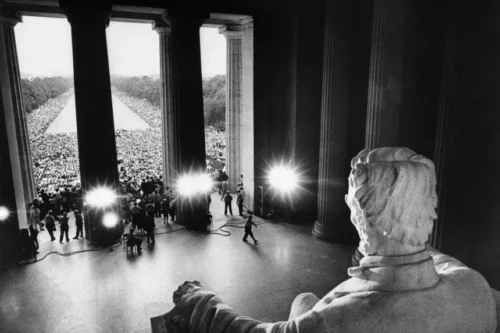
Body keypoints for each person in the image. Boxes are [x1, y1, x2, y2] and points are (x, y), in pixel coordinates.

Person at [160, 147, 497, 333]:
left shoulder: (339, 322)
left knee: (304, 301)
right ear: (428, 208)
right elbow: (443, 262)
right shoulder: (475, 287)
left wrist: (203, 302)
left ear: (360, 214)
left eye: (351, 199)